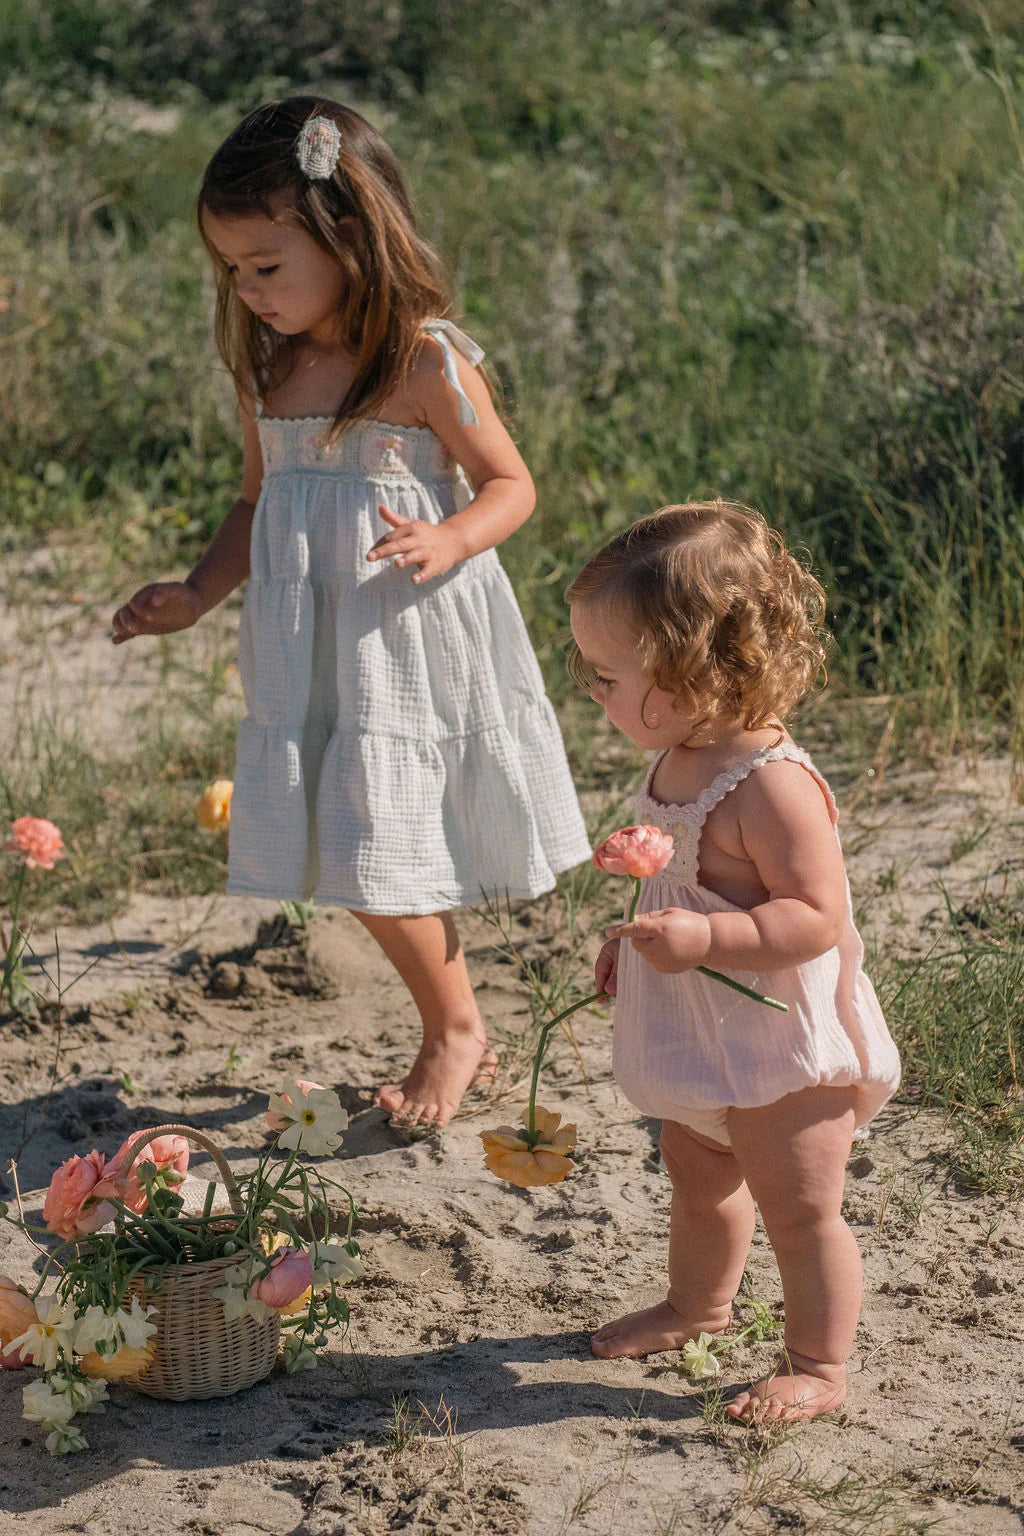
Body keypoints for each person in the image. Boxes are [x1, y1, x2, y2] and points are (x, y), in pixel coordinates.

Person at [111, 98, 591, 1128]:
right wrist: (197, 593)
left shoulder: (426, 363)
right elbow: (256, 499)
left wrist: (451, 537)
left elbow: (509, 484)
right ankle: (458, 1026)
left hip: (403, 631)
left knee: (372, 834)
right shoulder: (266, 369)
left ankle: (456, 1031)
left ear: (349, 236)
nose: (247, 288)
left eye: (266, 264)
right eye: (231, 268)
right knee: (356, 841)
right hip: (307, 645)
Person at [567, 502, 900, 1421]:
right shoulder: (679, 756)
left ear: (695, 671)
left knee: (800, 1210)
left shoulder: (773, 787)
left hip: (781, 1044)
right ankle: (696, 1303)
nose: (592, 692)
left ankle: (819, 1365)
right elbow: (678, 889)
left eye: (606, 675)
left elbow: (815, 918)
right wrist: (631, 944)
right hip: (705, 1035)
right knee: (697, 1175)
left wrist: (708, 940)